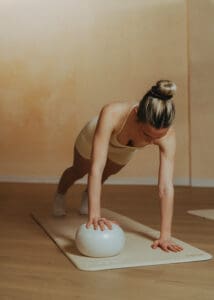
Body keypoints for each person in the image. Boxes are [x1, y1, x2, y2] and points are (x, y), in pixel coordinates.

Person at [53, 80, 183, 253]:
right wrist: (95, 215)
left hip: (125, 148)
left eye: (158, 137)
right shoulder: (112, 112)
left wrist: (165, 235)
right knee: (79, 170)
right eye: (147, 134)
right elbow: (96, 167)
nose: (152, 142)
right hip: (93, 137)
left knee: (108, 173)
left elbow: (166, 187)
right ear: (137, 114)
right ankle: (60, 194)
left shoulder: (169, 135)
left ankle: (87, 194)